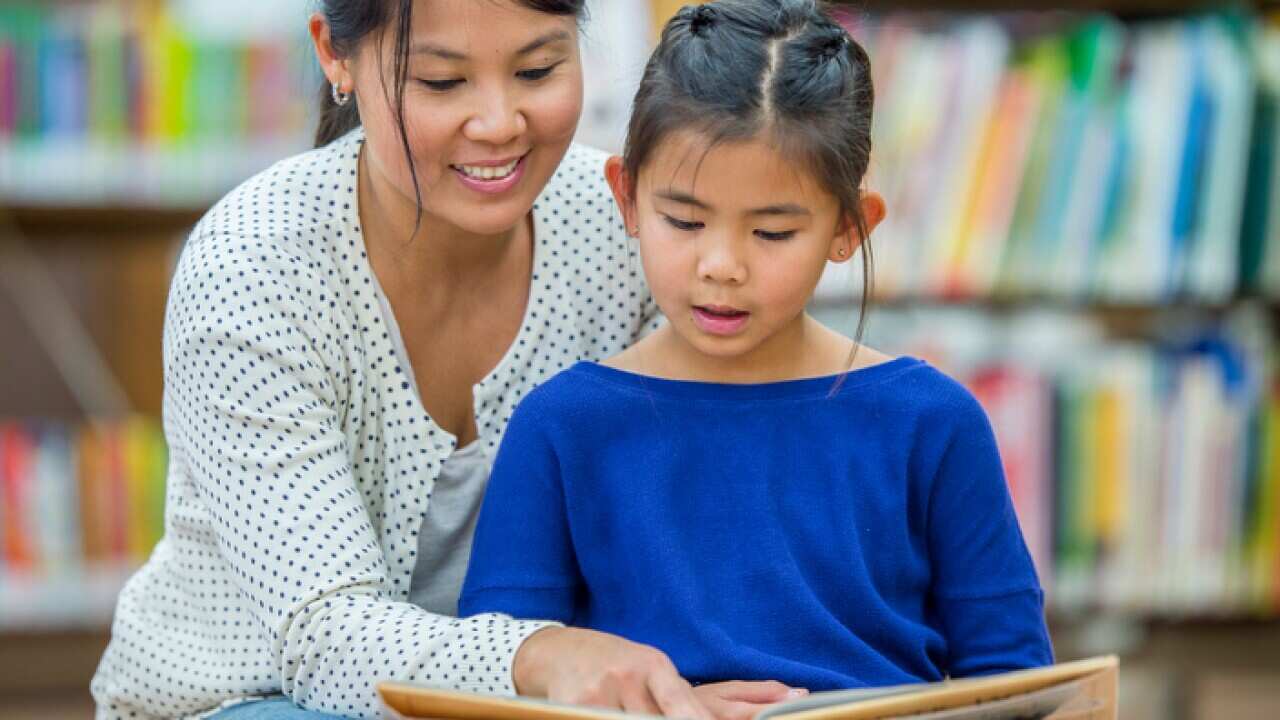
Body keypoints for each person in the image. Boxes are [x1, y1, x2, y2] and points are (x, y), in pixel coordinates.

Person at [90, 1, 800, 718]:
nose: (498, 122)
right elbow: (323, 639)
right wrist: (545, 659)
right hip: (249, 699)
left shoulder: (635, 230)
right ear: (336, 55)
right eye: (440, 82)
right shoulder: (255, 267)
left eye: (536, 69)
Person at [459, 0, 1055, 699]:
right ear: (626, 198)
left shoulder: (934, 423)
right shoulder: (561, 427)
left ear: (850, 229)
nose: (722, 265)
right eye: (683, 220)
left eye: (771, 233)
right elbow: (500, 677)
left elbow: (1020, 688)